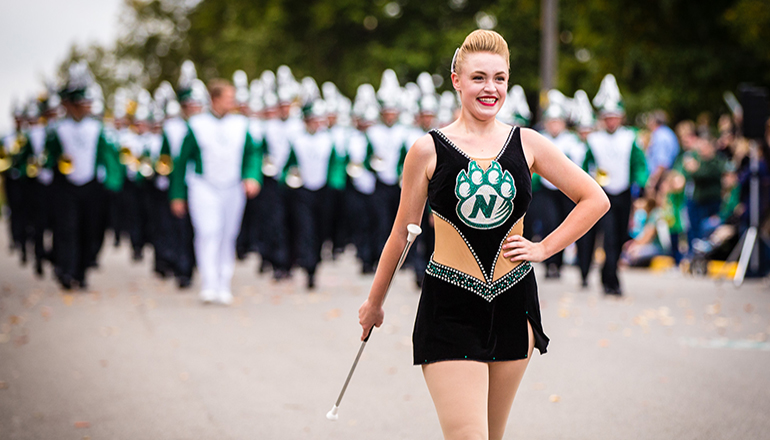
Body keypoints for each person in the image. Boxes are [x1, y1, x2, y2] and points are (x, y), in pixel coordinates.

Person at [357, 30, 609, 440]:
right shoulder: (428, 149)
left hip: (514, 305)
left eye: (499, 78)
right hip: (449, 308)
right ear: (456, 79)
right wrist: (374, 304)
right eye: (478, 77)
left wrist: (545, 247)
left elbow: (594, 198)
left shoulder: (527, 142)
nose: (490, 88)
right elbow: (402, 234)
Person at [169, 79, 262, 305]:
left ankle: (223, 283)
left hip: (232, 186)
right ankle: (209, 283)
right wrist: (177, 195)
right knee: (208, 231)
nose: (233, 101)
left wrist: (252, 176)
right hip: (204, 185)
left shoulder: (242, 124)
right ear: (215, 99)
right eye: (228, 97)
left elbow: (253, 153)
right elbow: (181, 162)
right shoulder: (196, 124)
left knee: (228, 235)